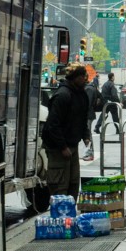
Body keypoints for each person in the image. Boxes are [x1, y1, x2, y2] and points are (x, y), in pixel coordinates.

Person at [40, 64, 90, 197]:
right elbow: (53, 124)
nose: (85, 80)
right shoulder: (63, 95)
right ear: (75, 78)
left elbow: (82, 117)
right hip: (58, 148)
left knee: (73, 184)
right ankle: (61, 215)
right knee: (60, 186)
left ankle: (69, 214)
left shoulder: (81, 94)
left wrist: (86, 135)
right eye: (82, 77)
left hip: (72, 145)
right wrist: (62, 147)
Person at [83, 76, 103, 161]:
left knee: (87, 134)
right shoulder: (90, 88)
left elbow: (87, 103)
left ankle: (90, 153)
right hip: (88, 114)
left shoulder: (88, 89)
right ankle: (88, 153)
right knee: (86, 134)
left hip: (87, 115)